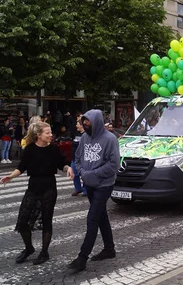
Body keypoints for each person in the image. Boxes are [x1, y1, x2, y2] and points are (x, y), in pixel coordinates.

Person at [0, 121, 71, 265]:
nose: (51, 135)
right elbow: (21, 167)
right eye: (48, 133)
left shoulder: (54, 149)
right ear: (39, 135)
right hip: (33, 188)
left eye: (50, 132)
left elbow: (61, 163)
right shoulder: (30, 149)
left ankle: (44, 252)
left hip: (49, 188)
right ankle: (29, 248)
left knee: (46, 221)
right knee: (23, 221)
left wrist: (67, 168)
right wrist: (11, 177)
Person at [68, 109, 120, 272]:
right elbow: (77, 157)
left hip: (104, 185)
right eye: (84, 123)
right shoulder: (84, 137)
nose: (85, 126)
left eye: (88, 124)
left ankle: (82, 257)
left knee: (92, 219)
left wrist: (92, 174)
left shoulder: (110, 139)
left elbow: (114, 164)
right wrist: (82, 172)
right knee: (101, 216)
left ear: (96, 122)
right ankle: (109, 249)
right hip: (89, 183)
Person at [71, 115, 87, 197]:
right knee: (74, 174)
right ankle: (78, 189)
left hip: (83, 158)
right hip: (74, 158)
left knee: (83, 174)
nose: (76, 125)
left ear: (81, 125)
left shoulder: (86, 135)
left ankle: (85, 189)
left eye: (78, 124)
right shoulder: (76, 133)